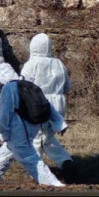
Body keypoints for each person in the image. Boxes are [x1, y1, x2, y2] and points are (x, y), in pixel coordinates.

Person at [0, 64, 65, 187]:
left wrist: (3, 132)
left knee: (28, 157)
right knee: (7, 150)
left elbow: (3, 116)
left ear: (1, 77)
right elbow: (48, 105)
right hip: (33, 125)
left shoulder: (9, 88)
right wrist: (59, 123)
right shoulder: (29, 84)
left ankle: (52, 184)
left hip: (18, 128)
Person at [19, 33, 75, 173]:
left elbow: (23, 86)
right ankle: (66, 162)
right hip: (59, 103)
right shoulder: (58, 63)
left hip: (40, 104)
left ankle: (37, 170)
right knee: (47, 137)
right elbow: (67, 87)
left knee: (37, 137)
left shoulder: (31, 64)